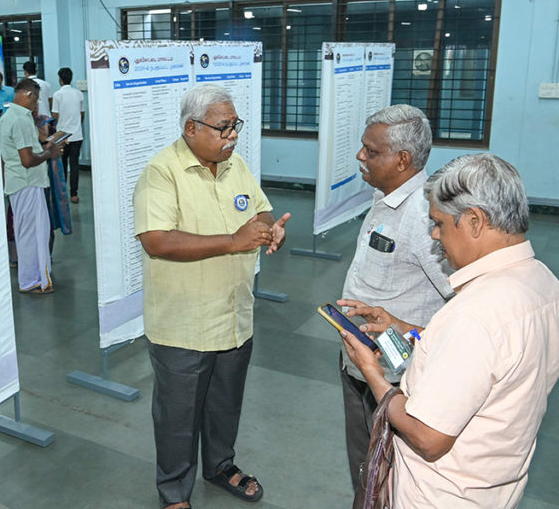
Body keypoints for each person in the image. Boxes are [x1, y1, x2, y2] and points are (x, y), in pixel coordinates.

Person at [340, 153, 559, 507]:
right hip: (494, 487)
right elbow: (483, 365)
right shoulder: (543, 281)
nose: (434, 234)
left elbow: (427, 437)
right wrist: (405, 329)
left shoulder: (475, 314)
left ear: (474, 221)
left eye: (440, 224)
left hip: (439, 496)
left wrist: (372, 373)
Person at [133, 84, 291, 509]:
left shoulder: (235, 165)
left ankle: (220, 466)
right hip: (184, 324)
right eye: (223, 127)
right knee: (178, 416)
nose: (232, 135)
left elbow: (259, 209)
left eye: (235, 125)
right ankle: (174, 492)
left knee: (225, 404)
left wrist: (268, 228)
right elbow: (157, 240)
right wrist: (234, 241)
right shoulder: (162, 172)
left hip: (234, 315)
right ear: (192, 128)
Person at [338, 104, 454, 492]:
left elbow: (460, 300)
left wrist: (417, 338)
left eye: (371, 151)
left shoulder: (424, 217)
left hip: (396, 379)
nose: (360, 156)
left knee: (389, 475)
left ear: (402, 160)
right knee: (365, 466)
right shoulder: (384, 196)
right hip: (363, 363)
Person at [0, 78, 61, 294]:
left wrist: (45, 147)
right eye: (36, 99)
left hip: (20, 182)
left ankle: (35, 277)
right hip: (27, 183)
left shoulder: (9, 116)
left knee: (30, 232)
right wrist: (49, 153)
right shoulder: (21, 119)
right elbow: (27, 160)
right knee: (31, 234)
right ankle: (30, 281)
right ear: (28, 95)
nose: (36, 104)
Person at [51, 67, 84, 203]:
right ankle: (74, 194)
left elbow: (55, 115)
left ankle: (63, 193)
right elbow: (82, 114)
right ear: (71, 78)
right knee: (74, 164)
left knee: (62, 165)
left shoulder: (57, 95)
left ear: (60, 79)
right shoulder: (79, 94)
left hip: (62, 137)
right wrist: (75, 126)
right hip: (77, 135)